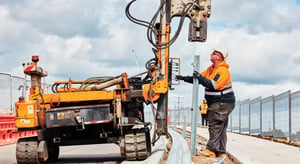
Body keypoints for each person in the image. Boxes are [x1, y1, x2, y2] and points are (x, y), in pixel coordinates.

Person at [176, 47, 235, 158]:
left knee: (215, 125)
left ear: (219, 56)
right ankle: (221, 152)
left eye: (213, 53)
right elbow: (199, 79)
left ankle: (211, 150)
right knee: (220, 127)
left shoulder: (222, 71)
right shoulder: (211, 69)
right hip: (220, 102)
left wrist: (199, 77)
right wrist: (183, 78)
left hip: (221, 102)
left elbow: (213, 85)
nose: (211, 54)